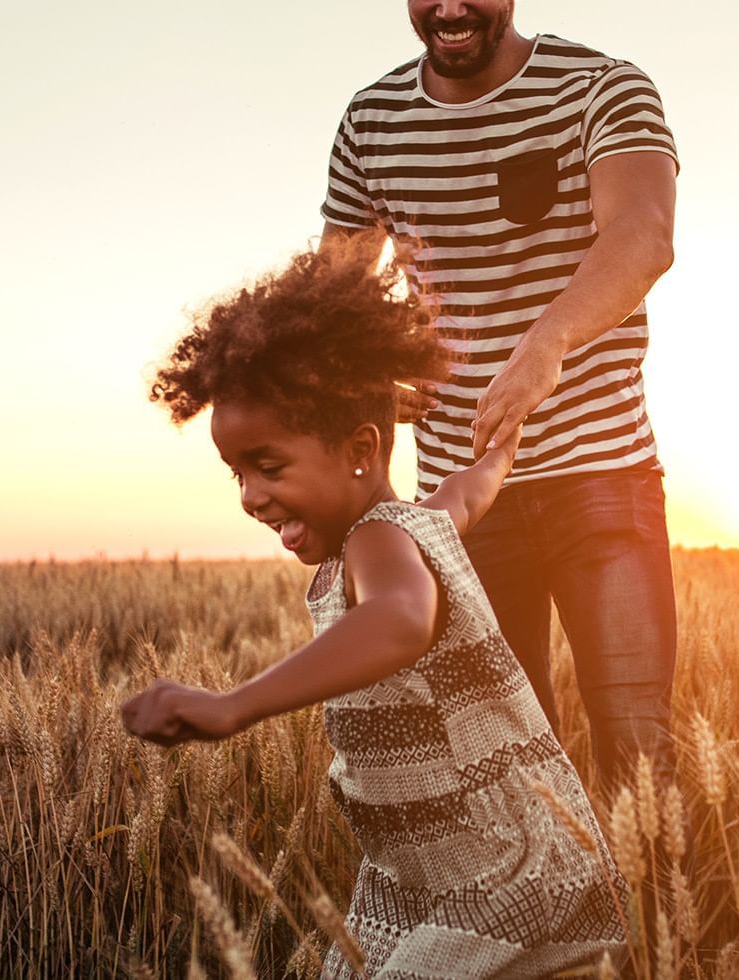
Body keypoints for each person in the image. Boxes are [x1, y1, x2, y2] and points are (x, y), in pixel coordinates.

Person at [121, 243, 628, 978]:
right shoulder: (421, 524)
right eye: (236, 473)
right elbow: (469, 491)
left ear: (361, 449)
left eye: (269, 466)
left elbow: (399, 619)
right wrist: (500, 450)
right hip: (412, 874)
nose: (250, 496)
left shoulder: (379, 542)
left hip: (489, 870)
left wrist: (235, 706)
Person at [319, 0, 681, 793]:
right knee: (510, 759)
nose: (449, 8)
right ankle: (559, 920)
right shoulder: (371, 121)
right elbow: (335, 295)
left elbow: (643, 235)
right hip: (461, 501)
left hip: (601, 473)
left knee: (637, 745)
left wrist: (544, 344)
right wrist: (372, 376)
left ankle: (660, 920)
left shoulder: (600, 87)